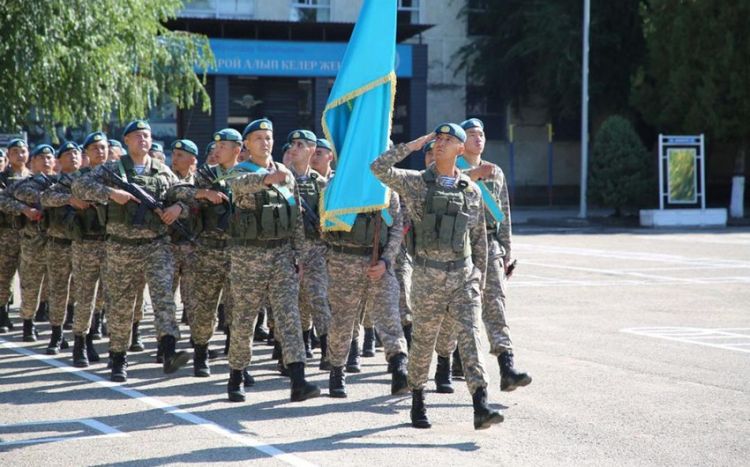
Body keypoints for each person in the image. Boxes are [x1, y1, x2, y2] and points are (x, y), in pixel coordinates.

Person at [370, 123, 504, 430]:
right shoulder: (416, 183)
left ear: (460, 148)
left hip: (462, 275)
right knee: (423, 342)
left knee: (470, 336)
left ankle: (480, 404)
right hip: (428, 277)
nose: (441, 144)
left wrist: (480, 278)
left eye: (448, 140)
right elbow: (377, 167)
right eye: (438, 139)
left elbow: (479, 238)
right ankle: (418, 399)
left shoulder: (469, 189)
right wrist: (412, 146)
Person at [72, 119, 191, 382]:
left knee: (164, 300)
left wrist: (178, 209)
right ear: (126, 141)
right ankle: (118, 359)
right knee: (121, 304)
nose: (143, 140)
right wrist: (110, 193)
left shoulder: (163, 171)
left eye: (147, 136)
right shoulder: (111, 169)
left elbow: (186, 197)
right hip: (120, 247)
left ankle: (169, 352)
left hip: (156, 245)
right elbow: (79, 187)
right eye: (137, 136)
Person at [223, 120, 320, 403]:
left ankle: (298, 379)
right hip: (249, 256)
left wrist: (299, 255)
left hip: (281, 255)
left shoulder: (285, 174)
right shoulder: (240, 172)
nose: (265, 142)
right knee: (245, 316)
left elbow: (296, 217)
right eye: (258, 138)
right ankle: (236, 376)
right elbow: (237, 187)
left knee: (289, 316)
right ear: (246, 145)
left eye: (268, 137)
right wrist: (266, 179)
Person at [322, 153, 409, 398]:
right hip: (344, 262)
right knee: (342, 321)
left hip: (379, 265)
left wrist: (385, 260)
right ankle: (337, 369)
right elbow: (323, 225)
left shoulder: (387, 190)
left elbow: (396, 230)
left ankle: (399, 367)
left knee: (390, 316)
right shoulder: (337, 185)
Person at [285, 130, 332, 370]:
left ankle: (327, 351)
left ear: (312, 150)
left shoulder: (321, 183)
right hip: (287, 250)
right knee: (289, 304)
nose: (294, 148)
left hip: (315, 250)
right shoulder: (282, 180)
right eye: (292, 144)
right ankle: (293, 352)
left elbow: (330, 219)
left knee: (319, 299)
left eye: (300, 145)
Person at [0, 144, 55, 342]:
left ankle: (55, 328)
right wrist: (23, 209)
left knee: (54, 285)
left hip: (57, 241)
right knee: (26, 281)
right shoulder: (21, 183)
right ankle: (25, 323)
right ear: (35, 161)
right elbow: (2, 199)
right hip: (27, 238)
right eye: (42, 158)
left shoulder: (61, 183)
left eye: (50, 158)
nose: (46, 161)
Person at [64, 131, 109, 366]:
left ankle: (93, 337)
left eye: (103, 148)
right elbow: (49, 195)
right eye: (95, 148)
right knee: (85, 296)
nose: (100, 152)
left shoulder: (116, 175)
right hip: (85, 244)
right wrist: (71, 200)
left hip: (111, 243)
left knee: (103, 297)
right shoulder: (78, 176)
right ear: (86, 153)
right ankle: (80, 343)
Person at [38, 141, 85, 354]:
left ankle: (82, 337)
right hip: (58, 245)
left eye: (75, 153)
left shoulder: (89, 181)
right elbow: (45, 198)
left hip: (83, 244)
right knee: (58, 290)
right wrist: (70, 199)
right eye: (67, 154)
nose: (72, 156)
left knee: (83, 292)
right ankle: (56, 335)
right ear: (59, 161)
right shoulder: (55, 183)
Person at [0, 139, 32, 333]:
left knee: (29, 278)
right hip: (7, 233)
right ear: (9, 155)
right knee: (4, 275)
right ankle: (2, 313)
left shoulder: (34, 177)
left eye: (23, 151)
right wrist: (24, 208)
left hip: (30, 234)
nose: (20, 155)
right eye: (15, 152)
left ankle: (28, 320)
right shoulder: (2, 178)